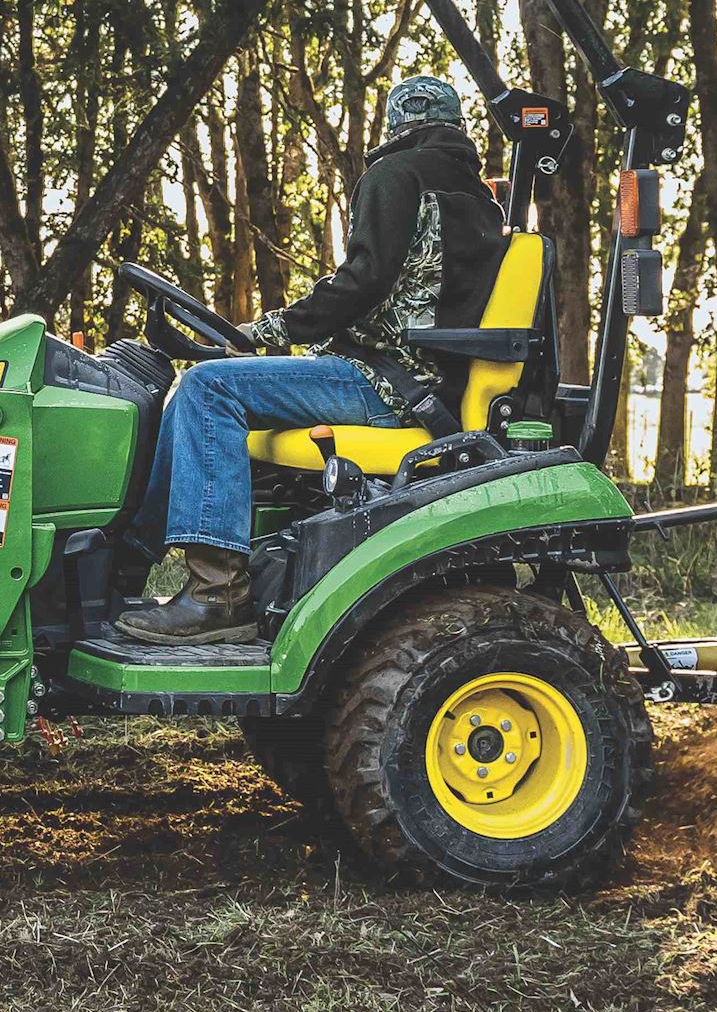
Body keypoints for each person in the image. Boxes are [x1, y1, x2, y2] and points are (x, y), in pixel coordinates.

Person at [117, 74, 508, 644]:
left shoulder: (396, 175)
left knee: (207, 388)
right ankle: (131, 563)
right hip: (428, 380)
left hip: (385, 382)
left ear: (399, 128)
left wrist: (270, 329)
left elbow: (362, 281)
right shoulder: (479, 200)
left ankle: (214, 594)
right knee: (198, 391)